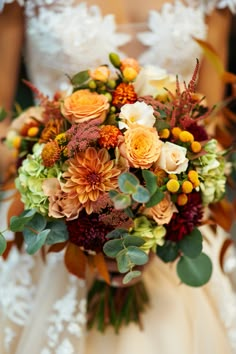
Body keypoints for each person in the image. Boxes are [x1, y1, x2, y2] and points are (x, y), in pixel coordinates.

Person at [0, 1, 236, 353]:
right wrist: (57, 184)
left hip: (172, 224)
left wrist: (159, 215)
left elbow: (211, 122)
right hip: (51, 224)